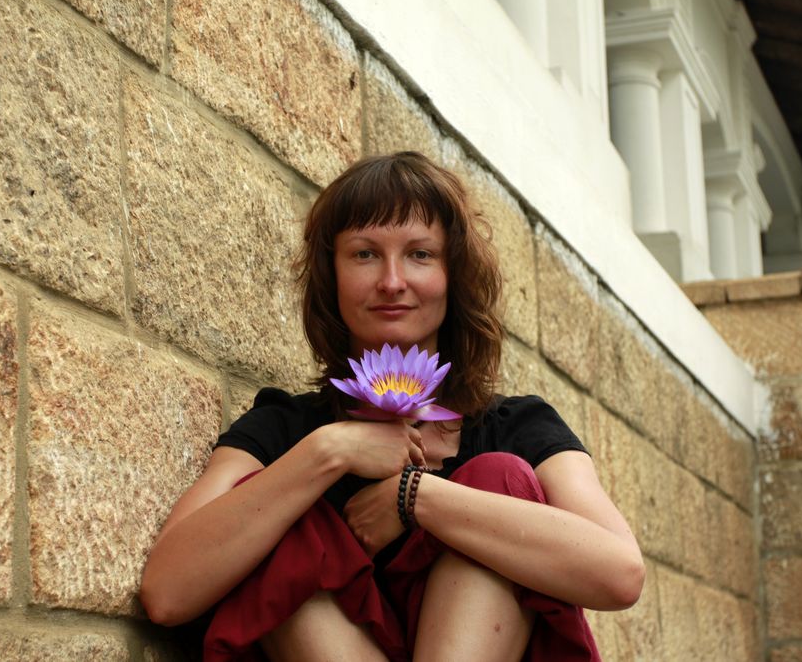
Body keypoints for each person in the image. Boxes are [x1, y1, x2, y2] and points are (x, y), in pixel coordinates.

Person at [140, 152, 645, 661]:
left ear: (454, 274)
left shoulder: (518, 427)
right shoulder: (285, 429)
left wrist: (415, 496)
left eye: (420, 254)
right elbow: (166, 593)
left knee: (500, 480)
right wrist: (326, 452)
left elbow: (621, 573)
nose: (392, 281)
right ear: (331, 274)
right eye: (364, 254)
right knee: (272, 504)